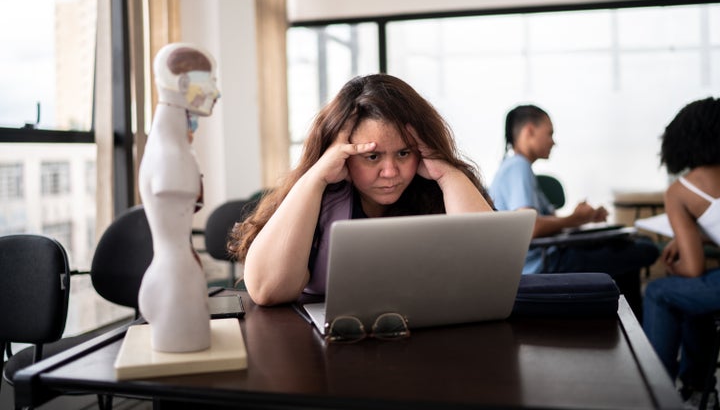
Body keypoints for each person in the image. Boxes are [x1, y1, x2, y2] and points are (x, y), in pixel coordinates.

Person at [228, 74, 494, 306]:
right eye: (373, 156)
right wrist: (315, 178)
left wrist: (446, 174)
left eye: (404, 153)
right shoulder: (320, 196)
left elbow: (490, 275)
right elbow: (267, 290)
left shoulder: (439, 189)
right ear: (341, 155)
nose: (390, 172)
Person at [489, 104, 658, 317]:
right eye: (549, 133)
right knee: (643, 248)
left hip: (548, 255)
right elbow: (530, 226)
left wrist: (582, 218)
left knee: (629, 250)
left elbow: (543, 221)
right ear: (529, 130)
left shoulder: (516, 168)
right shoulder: (517, 167)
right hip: (544, 264)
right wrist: (575, 218)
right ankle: (635, 332)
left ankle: (629, 330)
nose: (554, 141)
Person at [137, 42, 221, 352]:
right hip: (176, 283)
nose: (216, 91)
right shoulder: (170, 155)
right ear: (184, 84)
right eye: (210, 81)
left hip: (175, 277)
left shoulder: (169, 147)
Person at [643, 97, 720, 409]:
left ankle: (651, 390)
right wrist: (700, 236)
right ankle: (699, 388)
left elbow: (693, 269)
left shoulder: (682, 190)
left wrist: (677, 268)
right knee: (689, 297)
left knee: (662, 291)